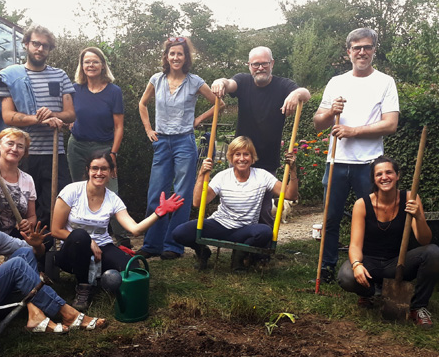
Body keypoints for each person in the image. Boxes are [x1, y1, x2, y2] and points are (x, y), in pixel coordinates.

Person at [0, 184, 106, 332]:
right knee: (16, 265)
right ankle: (67, 313)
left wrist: (37, 245)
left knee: (25, 254)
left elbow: (31, 252)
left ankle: (35, 314)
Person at [313, 28, 399, 283]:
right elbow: (318, 123)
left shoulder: (385, 82)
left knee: (374, 218)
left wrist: (354, 131)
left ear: (374, 50)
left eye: (367, 47)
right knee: (331, 218)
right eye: (357, 47)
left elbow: (391, 124)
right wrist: (331, 113)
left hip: (370, 164)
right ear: (348, 51)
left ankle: (372, 266)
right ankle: (327, 266)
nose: (362, 52)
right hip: (336, 161)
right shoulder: (336, 82)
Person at [51, 151, 184, 310]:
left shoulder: (112, 199)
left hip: (103, 247)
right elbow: (56, 230)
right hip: (73, 249)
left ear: (111, 172)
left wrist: (158, 213)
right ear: (88, 170)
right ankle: (83, 287)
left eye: (104, 169)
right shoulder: (71, 191)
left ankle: (100, 279)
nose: (99, 173)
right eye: (95, 168)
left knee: (133, 270)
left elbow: (135, 230)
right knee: (80, 236)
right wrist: (89, 242)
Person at [137, 36, 220, 260]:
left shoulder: (194, 81)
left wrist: (199, 118)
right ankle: (152, 244)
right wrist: (148, 129)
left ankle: (173, 245)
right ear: (166, 56)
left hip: (185, 141)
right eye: (172, 53)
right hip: (162, 142)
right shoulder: (157, 79)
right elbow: (142, 104)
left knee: (181, 194)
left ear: (185, 58)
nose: (175, 57)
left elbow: (219, 103)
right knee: (157, 192)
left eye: (180, 54)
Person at [337, 156, 439, 329]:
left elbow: (424, 240)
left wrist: (418, 216)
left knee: (433, 253)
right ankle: (369, 293)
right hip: (370, 264)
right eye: (379, 174)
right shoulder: (362, 205)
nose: (384, 177)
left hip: (398, 263)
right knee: (346, 276)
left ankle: (418, 307)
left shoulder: (410, 198)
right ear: (374, 179)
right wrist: (356, 265)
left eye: (389, 172)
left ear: (397, 175)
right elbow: (355, 245)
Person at [211, 46, 310, 226]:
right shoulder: (243, 80)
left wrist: (295, 94)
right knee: (236, 202)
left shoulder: (283, 85)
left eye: (264, 63)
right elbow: (229, 84)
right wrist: (221, 81)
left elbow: (306, 93)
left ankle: (260, 249)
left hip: (267, 158)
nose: (260, 68)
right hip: (241, 154)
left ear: (272, 63)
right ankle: (236, 242)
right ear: (249, 65)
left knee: (263, 207)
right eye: (256, 64)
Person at [172, 136, 298, 272]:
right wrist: (201, 174)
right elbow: (197, 202)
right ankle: (203, 252)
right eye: (237, 154)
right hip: (220, 224)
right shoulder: (223, 176)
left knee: (265, 232)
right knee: (180, 233)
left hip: (244, 230)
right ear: (231, 157)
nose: (242, 158)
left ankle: (239, 255)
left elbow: (290, 195)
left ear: (252, 157)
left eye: (246, 154)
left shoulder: (262, 176)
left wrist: (292, 170)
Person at [0, 24, 75, 229]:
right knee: (26, 208)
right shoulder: (11, 77)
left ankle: (49, 255)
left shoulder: (60, 76)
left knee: (57, 204)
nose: (40, 49)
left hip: (55, 152)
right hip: (23, 155)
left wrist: (53, 115)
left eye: (45, 46)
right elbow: (8, 115)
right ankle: (27, 253)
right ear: (26, 44)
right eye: (36, 44)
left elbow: (70, 113)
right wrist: (39, 119)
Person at [67, 47, 130, 248]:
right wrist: (69, 122)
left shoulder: (114, 91)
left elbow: (119, 127)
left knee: (111, 190)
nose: (91, 65)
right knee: (79, 191)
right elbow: (69, 114)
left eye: (95, 61)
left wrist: (113, 154)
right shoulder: (75, 90)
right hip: (77, 147)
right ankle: (83, 235)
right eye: (87, 62)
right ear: (82, 66)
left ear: (102, 65)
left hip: (104, 149)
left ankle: (122, 237)